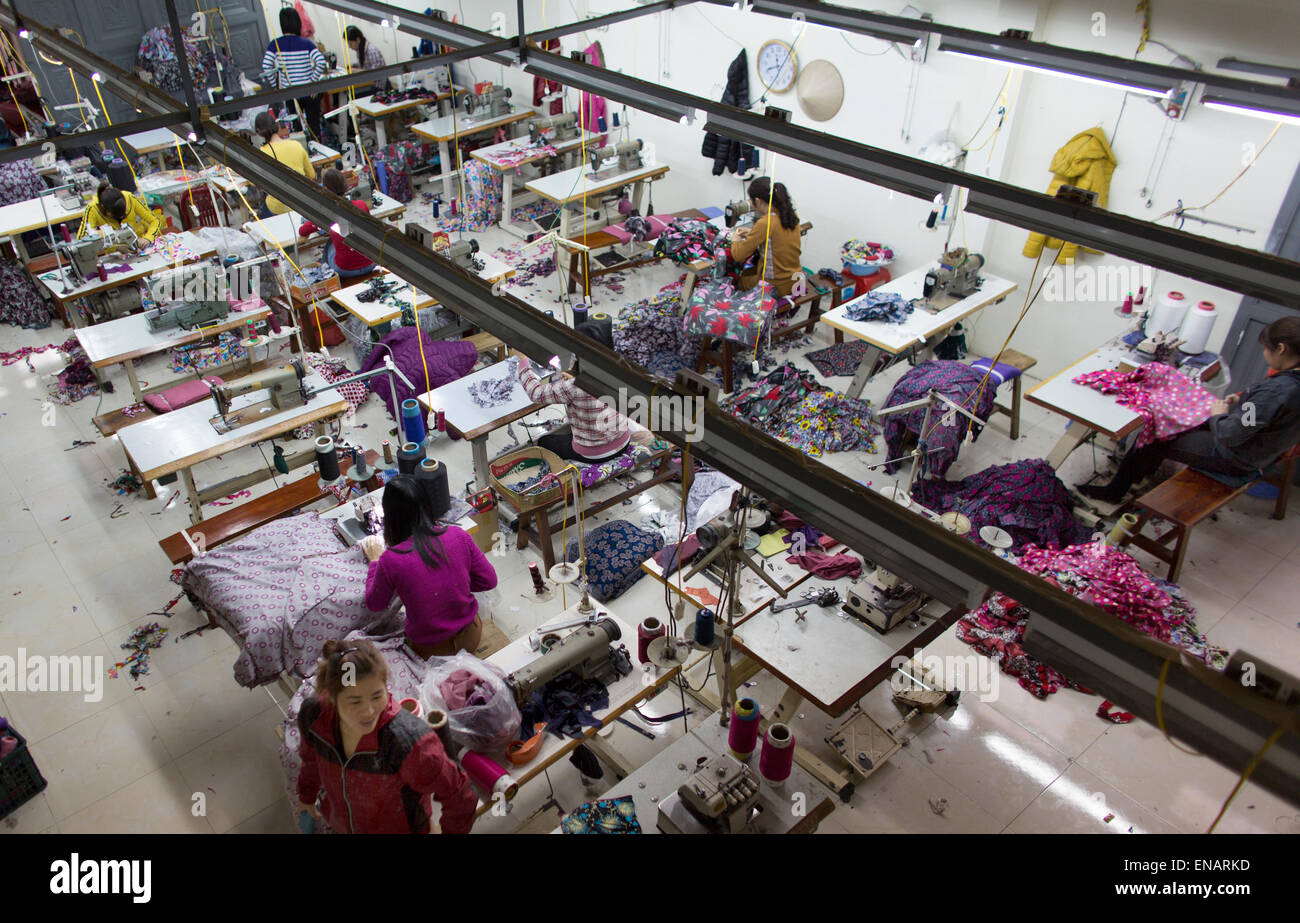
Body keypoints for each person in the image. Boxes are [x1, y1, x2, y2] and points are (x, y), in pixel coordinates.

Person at [1081, 316, 1300, 503]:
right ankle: (1139, 472)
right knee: (1186, 421)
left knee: (1156, 436)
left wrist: (1219, 415)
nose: (1265, 354)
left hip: (1236, 456)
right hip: (1262, 447)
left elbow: (1233, 433)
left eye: (1266, 349)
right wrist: (1244, 400)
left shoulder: (1273, 393)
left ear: (1281, 349)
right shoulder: (1287, 385)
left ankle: (1115, 491)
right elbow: (1261, 413)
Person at [295, 638, 476, 834]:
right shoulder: (314, 717)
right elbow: (310, 760)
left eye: (376, 695)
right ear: (330, 696)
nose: (370, 710)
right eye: (355, 702)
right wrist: (307, 795)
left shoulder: (408, 742)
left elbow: (459, 793)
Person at [362, 474, 498, 660]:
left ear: (390, 517)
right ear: (427, 506)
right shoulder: (458, 535)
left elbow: (374, 604)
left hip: (431, 652)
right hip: (471, 637)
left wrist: (374, 562)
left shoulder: (390, 560)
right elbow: (489, 580)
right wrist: (455, 583)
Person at [518, 356, 633, 462]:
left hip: (596, 454)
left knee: (544, 442)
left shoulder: (574, 386)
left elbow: (535, 393)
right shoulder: (618, 370)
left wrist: (523, 362)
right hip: (623, 440)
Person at [727, 176, 803, 297]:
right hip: (795, 279)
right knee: (749, 271)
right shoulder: (790, 214)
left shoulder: (765, 223)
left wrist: (735, 240)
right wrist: (752, 233)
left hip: (775, 286)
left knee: (729, 282)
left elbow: (738, 256)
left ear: (757, 201)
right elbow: (777, 237)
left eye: (751, 200)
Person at [261, 7, 326, 138]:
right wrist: (313, 81)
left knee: (296, 129)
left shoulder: (275, 44)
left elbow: (266, 66)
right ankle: (318, 151)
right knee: (314, 126)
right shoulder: (306, 43)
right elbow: (321, 61)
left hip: (290, 92)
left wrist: (276, 86)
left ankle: (302, 152)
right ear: (298, 23)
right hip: (308, 91)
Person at [299, 168, 375, 277]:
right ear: (346, 185)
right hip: (370, 264)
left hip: (345, 270)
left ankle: (327, 272)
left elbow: (303, 231)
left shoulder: (326, 213)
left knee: (330, 243)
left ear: (325, 188)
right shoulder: (361, 205)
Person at [255, 109, 316, 216]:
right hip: (302, 202)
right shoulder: (296, 145)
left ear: (259, 132)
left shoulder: (262, 152)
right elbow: (311, 175)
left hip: (278, 208)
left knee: (265, 207)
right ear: (277, 126)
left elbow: (258, 184)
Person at [77, 180, 161, 243]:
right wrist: (115, 248)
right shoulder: (92, 208)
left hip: (136, 242)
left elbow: (155, 220)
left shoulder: (129, 198)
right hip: (113, 250)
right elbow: (82, 238)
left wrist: (148, 237)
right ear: (104, 209)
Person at [345, 25, 389, 93]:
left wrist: (356, 71)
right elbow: (364, 65)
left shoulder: (372, 51)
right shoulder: (360, 50)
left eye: (350, 44)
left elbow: (374, 74)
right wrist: (352, 66)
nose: (349, 47)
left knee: (351, 93)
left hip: (377, 87)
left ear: (358, 39)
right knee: (349, 91)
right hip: (369, 84)